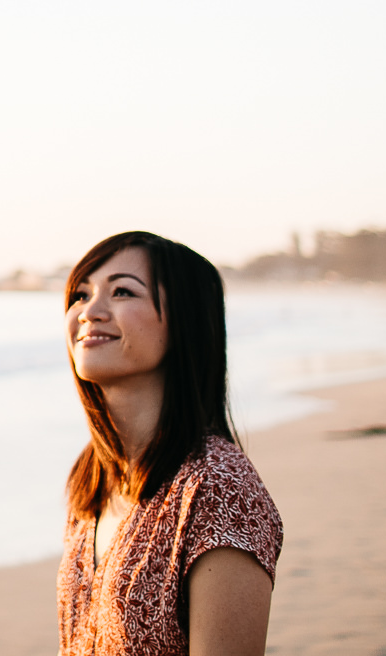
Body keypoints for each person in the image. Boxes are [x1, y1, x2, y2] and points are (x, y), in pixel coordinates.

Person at [58, 232, 284, 656]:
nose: (90, 312)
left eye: (122, 291)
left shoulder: (218, 488)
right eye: (80, 295)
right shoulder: (93, 475)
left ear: (184, 321)